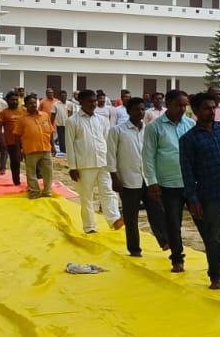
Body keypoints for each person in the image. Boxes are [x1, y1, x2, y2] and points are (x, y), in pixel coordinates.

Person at [180, 92, 220, 290]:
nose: (211, 111)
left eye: (213, 107)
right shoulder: (189, 139)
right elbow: (187, 172)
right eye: (207, 108)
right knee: (213, 236)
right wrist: (193, 199)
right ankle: (216, 276)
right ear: (196, 111)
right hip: (209, 192)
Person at [143, 90, 194, 270]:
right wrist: (152, 182)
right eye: (179, 105)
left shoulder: (190, 124)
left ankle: (216, 258)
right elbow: (148, 157)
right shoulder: (154, 127)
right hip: (168, 183)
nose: (183, 109)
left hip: (190, 182)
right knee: (173, 223)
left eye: (185, 105)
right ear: (169, 104)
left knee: (204, 222)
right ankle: (177, 258)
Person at [109, 97, 164, 257]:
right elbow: (110, 156)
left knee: (157, 211)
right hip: (128, 180)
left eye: (142, 109)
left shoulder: (150, 130)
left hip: (149, 179)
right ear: (128, 111)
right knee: (131, 217)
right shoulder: (117, 131)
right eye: (136, 109)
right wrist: (114, 178)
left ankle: (165, 241)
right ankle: (134, 249)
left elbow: (155, 154)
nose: (140, 112)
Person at [68, 89, 123, 234]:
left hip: (103, 161)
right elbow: (69, 145)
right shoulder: (72, 121)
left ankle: (114, 219)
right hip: (84, 164)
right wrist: (72, 167)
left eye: (94, 101)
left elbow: (107, 140)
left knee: (109, 190)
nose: (93, 104)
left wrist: (112, 160)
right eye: (89, 101)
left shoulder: (102, 119)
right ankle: (90, 226)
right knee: (86, 197)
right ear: (81, 102)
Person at [15, 100, 56, 199]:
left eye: (34, 103)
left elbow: (50, 131)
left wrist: (53, 146)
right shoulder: (22, 119)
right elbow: (17, 136)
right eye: (30, 103)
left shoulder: (45, 115)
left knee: (48, 172)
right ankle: (34, 193)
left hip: (46, 149)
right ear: (26, 105)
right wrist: (18, 151)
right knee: (31, 173)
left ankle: (47, 192)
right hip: (31, 150)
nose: (33, 105)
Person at [0, 94, 26, 186]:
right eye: (12, 100)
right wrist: (2, 141)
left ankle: (34, 182)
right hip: (11, 142)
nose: (14, 102)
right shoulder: (3, 113)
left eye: (16, 100)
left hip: (25, 141)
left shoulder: (24, 111)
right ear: (7, 101)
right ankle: (16, 182)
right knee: (15, 162)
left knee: (31, 162)